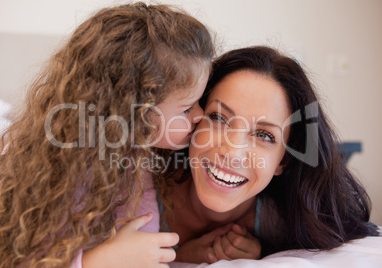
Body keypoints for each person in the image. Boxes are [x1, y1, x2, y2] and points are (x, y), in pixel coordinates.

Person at [0, 2, 214, 267]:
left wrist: (177, 255)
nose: (200, 115)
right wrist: (95, 262)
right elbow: (9, 259)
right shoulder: (53, 169)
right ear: (134, 113)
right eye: (186, 108)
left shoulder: (134, 157)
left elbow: (134, 241)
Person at [158, 46, 379, 264]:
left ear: (283, 160)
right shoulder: (135, 191)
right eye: (218, 118)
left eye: (264, 135)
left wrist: (261, 251)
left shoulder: (285, 220)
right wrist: (179, 257)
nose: (233, 153)